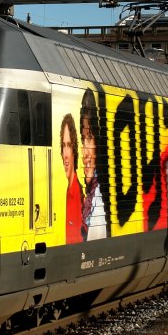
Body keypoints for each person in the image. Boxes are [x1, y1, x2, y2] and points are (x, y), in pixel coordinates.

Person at [80, 89, 107, 240]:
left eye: (89, 138)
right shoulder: (90, 197)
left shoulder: (98, 203)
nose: (85, 153)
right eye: (83, 139)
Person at [60, 113, 84, 244]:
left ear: (74, 150)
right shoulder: (68, 190)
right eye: (63, 145)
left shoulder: (77, 192)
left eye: (69, 145)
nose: (65, 155)